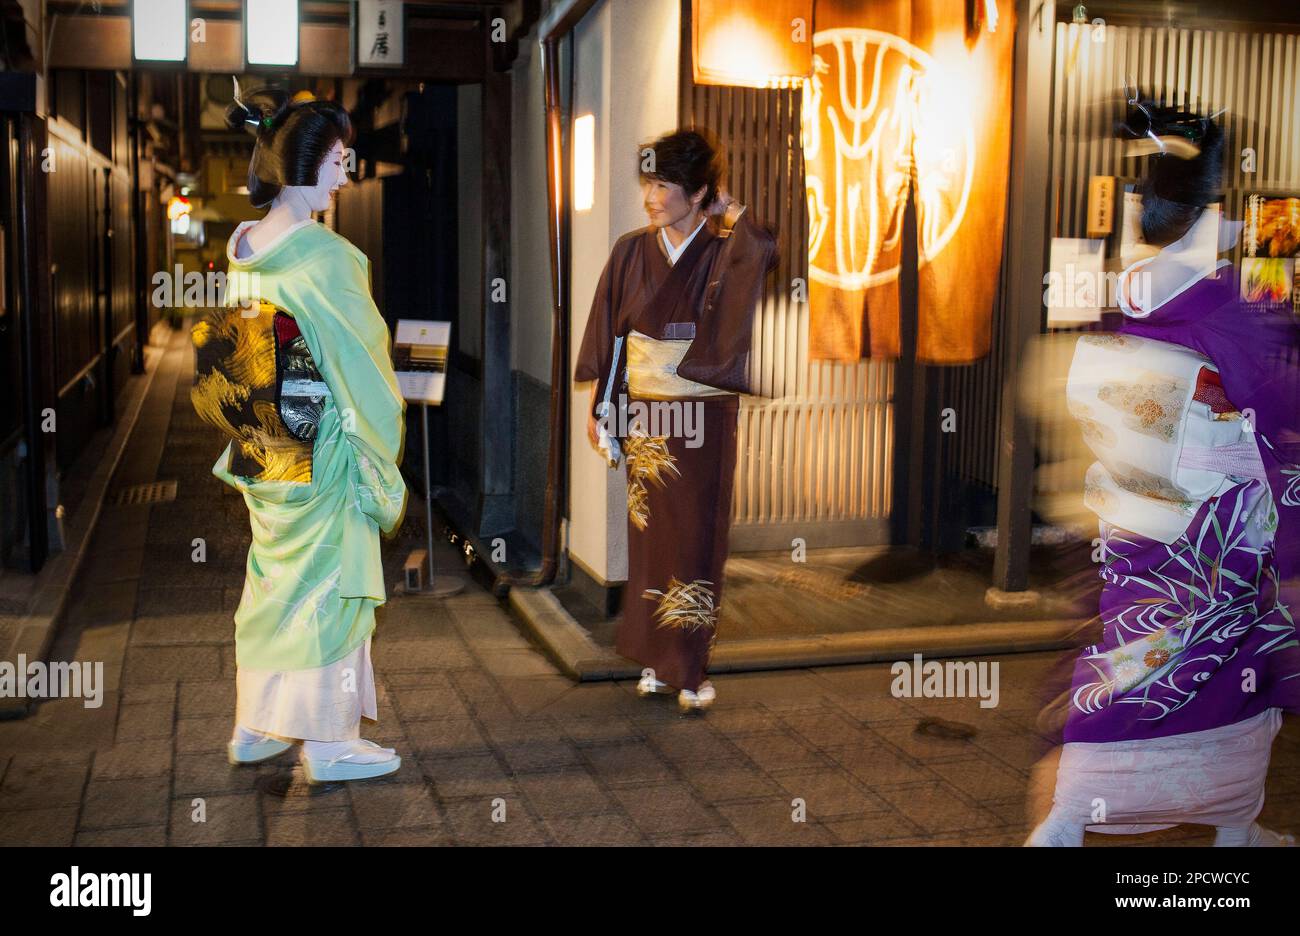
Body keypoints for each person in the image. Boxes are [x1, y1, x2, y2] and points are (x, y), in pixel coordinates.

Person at [1027, 104, 1300, 845]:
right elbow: (1282, 417)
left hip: (1132, 539)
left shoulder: (1122, 303)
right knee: (1226, 673)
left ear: (1143, 213)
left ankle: (1073, 816)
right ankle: (1227, 822)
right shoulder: (1231, 313)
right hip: (1212, 549)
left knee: (1120, 671)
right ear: (1215, 216)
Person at [190, 83, 408, 782]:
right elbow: (362, 365)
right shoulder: (328, 255)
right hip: (321, 440)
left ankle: (255, 724)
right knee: (331, 585)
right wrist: (378, 446)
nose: (347, 173)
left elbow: (232, 348)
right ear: (308, 165)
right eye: (341, 159)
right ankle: (329, 740)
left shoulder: (246, 245)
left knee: (273, 579)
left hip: (262, 433)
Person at [573, 129, 777, 711]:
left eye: (664, 186)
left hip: (703, 413)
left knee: (696, 537)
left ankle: (690, 666)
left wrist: (729, 208)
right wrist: (603, 405)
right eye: (649, 184)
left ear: (699, 193)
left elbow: (763, 249)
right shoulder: (630, 251)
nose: (651, 198)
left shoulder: (723, 250)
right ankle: (657, 663)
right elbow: (613, 336)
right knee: (651, 540)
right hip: (645, 415)